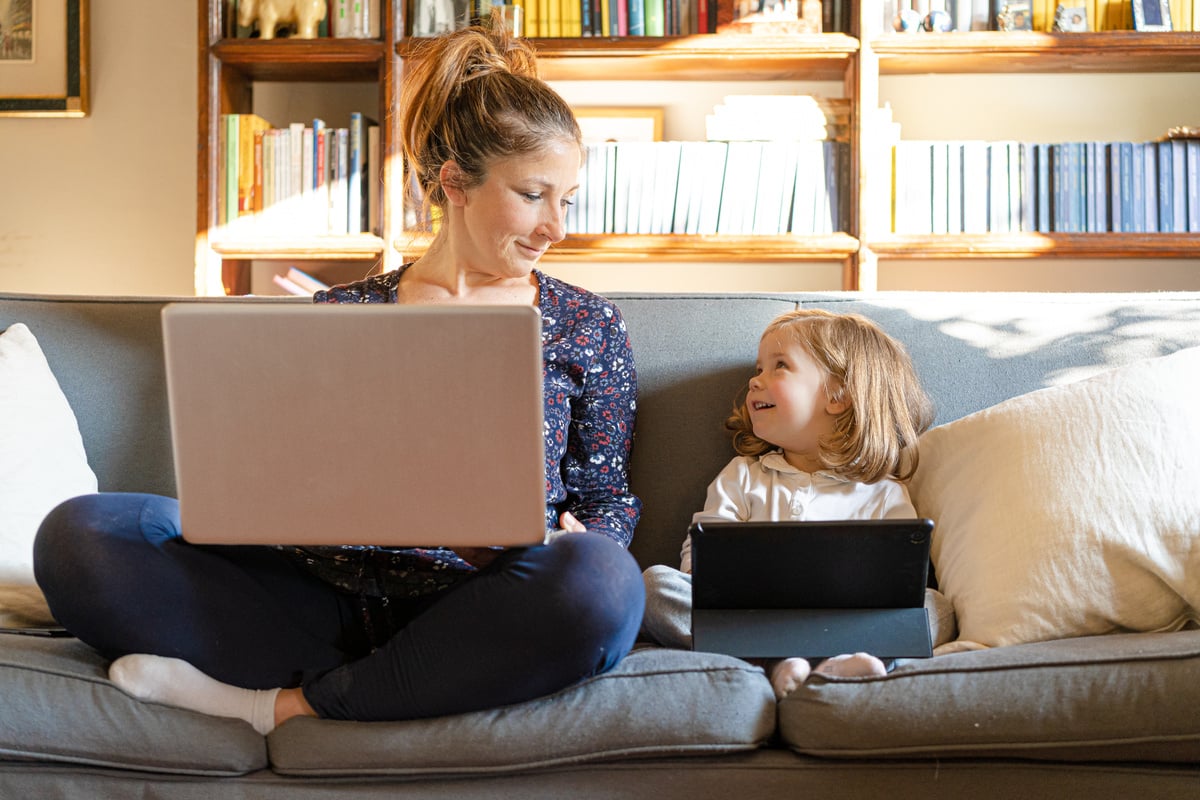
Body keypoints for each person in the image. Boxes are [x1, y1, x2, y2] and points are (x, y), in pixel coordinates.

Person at [33, 16, 645, 734]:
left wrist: (579, 538)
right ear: (455, 183)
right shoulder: (340, 312)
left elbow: (611, 497)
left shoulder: (587, 326)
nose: (556, 227)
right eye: (535, 196)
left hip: (482, 607)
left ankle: (284, 706)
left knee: (602, 586)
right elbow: (272, 478)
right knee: (80, 535)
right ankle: (379, 685)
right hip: (315, 600)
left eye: (566, 199)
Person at [641, 308, 947, 699]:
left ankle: (845, 660)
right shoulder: (743, 475)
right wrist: (714, 580)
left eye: (778, 366)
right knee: (656, 585)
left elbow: (901, 583)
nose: (754, 381)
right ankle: (783, 662)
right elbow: (701, 551)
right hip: (754, 617)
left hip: (847, 621)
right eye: (758, 367)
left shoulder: (881, 491)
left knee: (934, 606)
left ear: (838, 396)